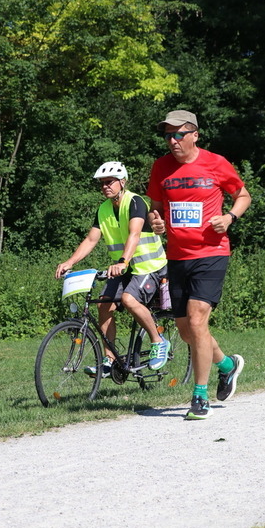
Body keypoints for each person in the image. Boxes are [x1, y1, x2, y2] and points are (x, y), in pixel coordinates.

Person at [147, 110, 251, 420]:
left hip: (211, 253)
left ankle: (199, 396)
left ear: (195, 135)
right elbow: (155, 208)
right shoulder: (161, 167)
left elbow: (243, 195)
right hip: (177, 256)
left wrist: (229, 217)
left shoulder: (216, 163)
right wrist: (156, 221)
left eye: (179, 134)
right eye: (168, 135)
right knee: (186, 331)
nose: (173, 140)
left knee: (196, 320)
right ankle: (227, 365)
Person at [55, 161, 170, 377]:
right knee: (103, 305)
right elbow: (91, 239)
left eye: (110, 182)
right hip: (125, 268)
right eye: (102, 183)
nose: (105, 186)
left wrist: (123, 262)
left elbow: (134, 234)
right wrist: (70, 262)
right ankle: (110, 360)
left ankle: (158, 341)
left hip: (149, 266)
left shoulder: (135, 202)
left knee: (128, 299)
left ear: (122, 182)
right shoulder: (103, 209)